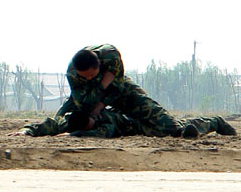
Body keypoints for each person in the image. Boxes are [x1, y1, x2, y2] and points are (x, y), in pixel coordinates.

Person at [55, 44, 190, 137]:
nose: (89, 79)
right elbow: (83, 103)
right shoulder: (73, 73)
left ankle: (181, 129)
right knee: (62, 123)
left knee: (155, 115)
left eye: (91, 75)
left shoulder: (111, 57)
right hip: (88, 95)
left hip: (116, 88)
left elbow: (117, 88)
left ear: (99, 65)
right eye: (84, 77)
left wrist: (101, 97)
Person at [10, 107, 236, 138]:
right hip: (135, 129)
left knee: (177, 128)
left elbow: (105, 132)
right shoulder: (69, 121)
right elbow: (49, 125)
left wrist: (73, 136)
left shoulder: (103, 119)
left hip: (137, 123)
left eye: (91, 123)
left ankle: (216, 122)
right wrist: (26, 130)